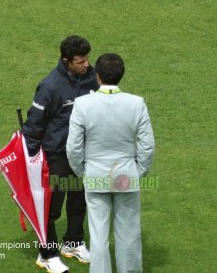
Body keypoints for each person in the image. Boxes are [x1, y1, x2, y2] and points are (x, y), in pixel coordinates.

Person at [66, 53, 155, 273]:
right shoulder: (136, 104)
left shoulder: (83, 104)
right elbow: (147, 147)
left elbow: (73, 147)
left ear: (97, 76)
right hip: (127, 175)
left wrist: (82, 172)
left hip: (95, 174)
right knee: (129, 232)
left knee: (98, 234)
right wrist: (138, 172)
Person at [22, 35, 99, 273]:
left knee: (78, 201)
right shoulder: (50, 86)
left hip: (82, 154)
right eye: (80, 61)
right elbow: (33, 126)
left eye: (87, 59)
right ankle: (47, 254)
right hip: (56, 156)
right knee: (52, 207)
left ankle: (73, 243)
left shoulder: (92, 78)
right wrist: (32, 159)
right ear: (66, 61)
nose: (86, 64)